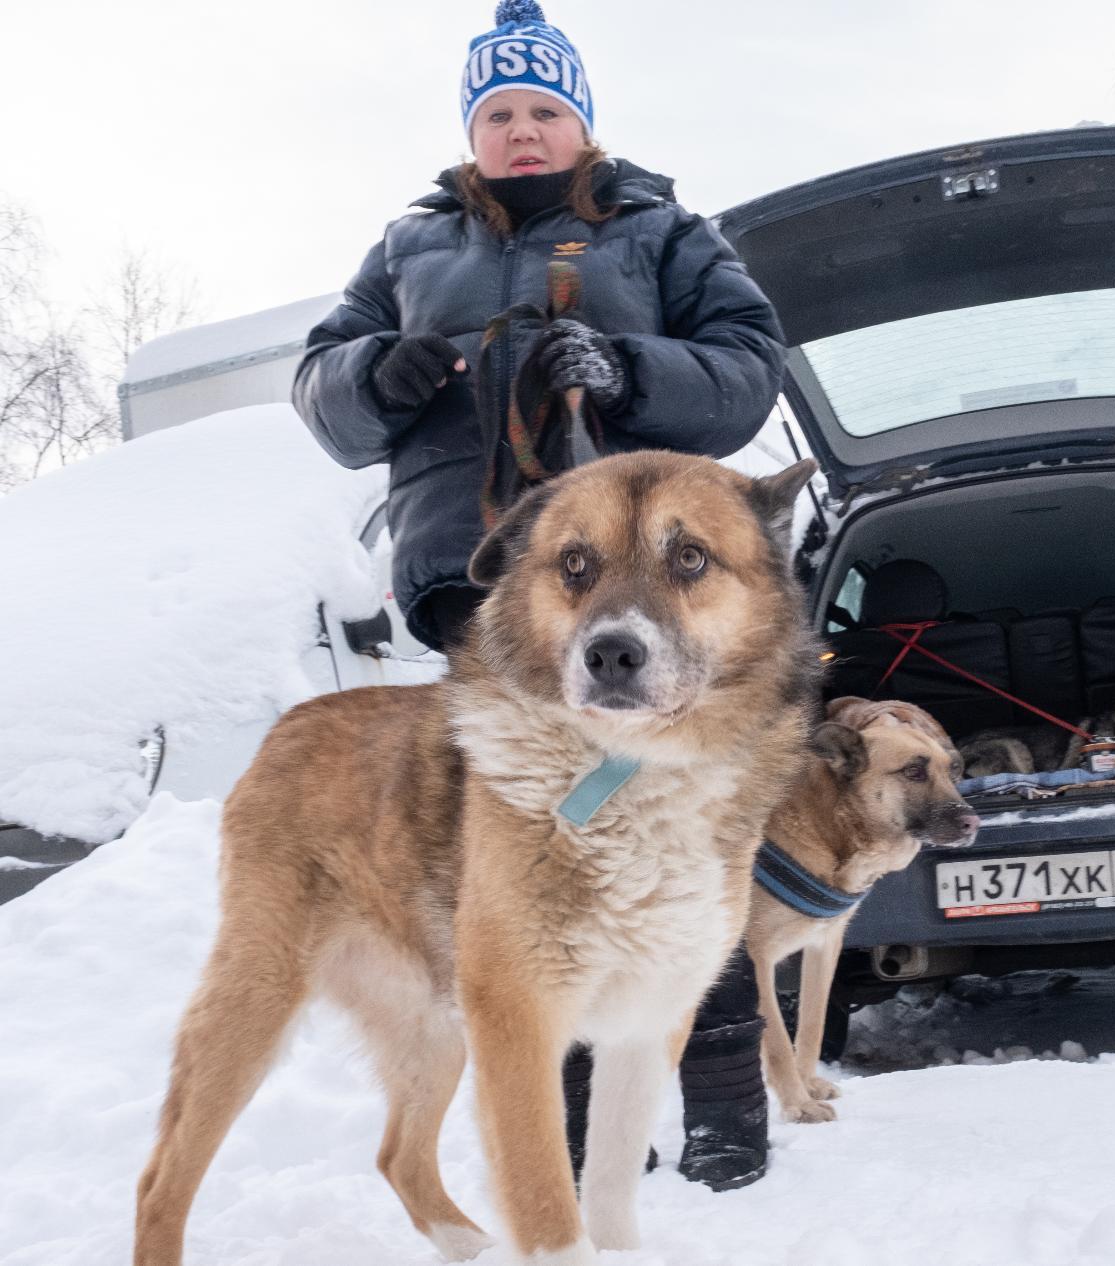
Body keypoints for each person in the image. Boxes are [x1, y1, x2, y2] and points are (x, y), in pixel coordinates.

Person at [292, 0, 786, 1191]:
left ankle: (721, 1111)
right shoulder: (409, 249)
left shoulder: (660, 229)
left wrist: (629, 368)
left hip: (638, 597)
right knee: (534, 861)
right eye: (499, 112)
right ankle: (564, 1142)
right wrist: (378, 371)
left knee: (672, 836)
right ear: (474, 130)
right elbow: (320, 390)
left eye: (543, 110)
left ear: (579, 124)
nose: (521, 130)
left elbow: (748, 369)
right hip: (482, 592)